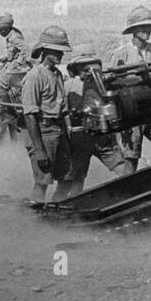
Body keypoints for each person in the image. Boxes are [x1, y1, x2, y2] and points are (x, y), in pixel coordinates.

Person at [61, 50, 131, 198]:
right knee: (77, 179)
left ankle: (132, 197)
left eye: (90, 65)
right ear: (75, 68)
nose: (87, 69)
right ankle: (73, 209)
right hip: (79, 138)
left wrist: (114, 139)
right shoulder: (68, 86)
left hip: (103, 137)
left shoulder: (103, 84)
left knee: (123, 168)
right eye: (83, 66)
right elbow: (65, 114)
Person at [20, 25, 75, 204]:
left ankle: (54, 211)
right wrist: (40, 150)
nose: (60, 55)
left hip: (58, 130)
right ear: (45, 50)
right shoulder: (34, 76)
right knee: (42, 182)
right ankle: (35, 219)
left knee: (67, 178)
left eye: (62, 51)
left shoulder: (57, 74)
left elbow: (63, 108)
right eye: (56, 51)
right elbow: (29, 115)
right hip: (42, 132)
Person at [109, 6, 151, 171]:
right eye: (142, 27)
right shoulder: (121, 54)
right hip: (131, 114)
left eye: (149, 27)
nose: (147, 30)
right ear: (133, 30)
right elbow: (113, 88)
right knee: (131, 160)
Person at [0, 14, 31, 139]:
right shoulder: (11, 36)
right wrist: (6, 58)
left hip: (19, 67)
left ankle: (8, 113)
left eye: (2, 30)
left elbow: (25, 50)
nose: (0, 33)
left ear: (7, 29)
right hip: (13, 63)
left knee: (0, 81)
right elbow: (13, 52)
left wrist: (17, 62)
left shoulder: (14, 37)